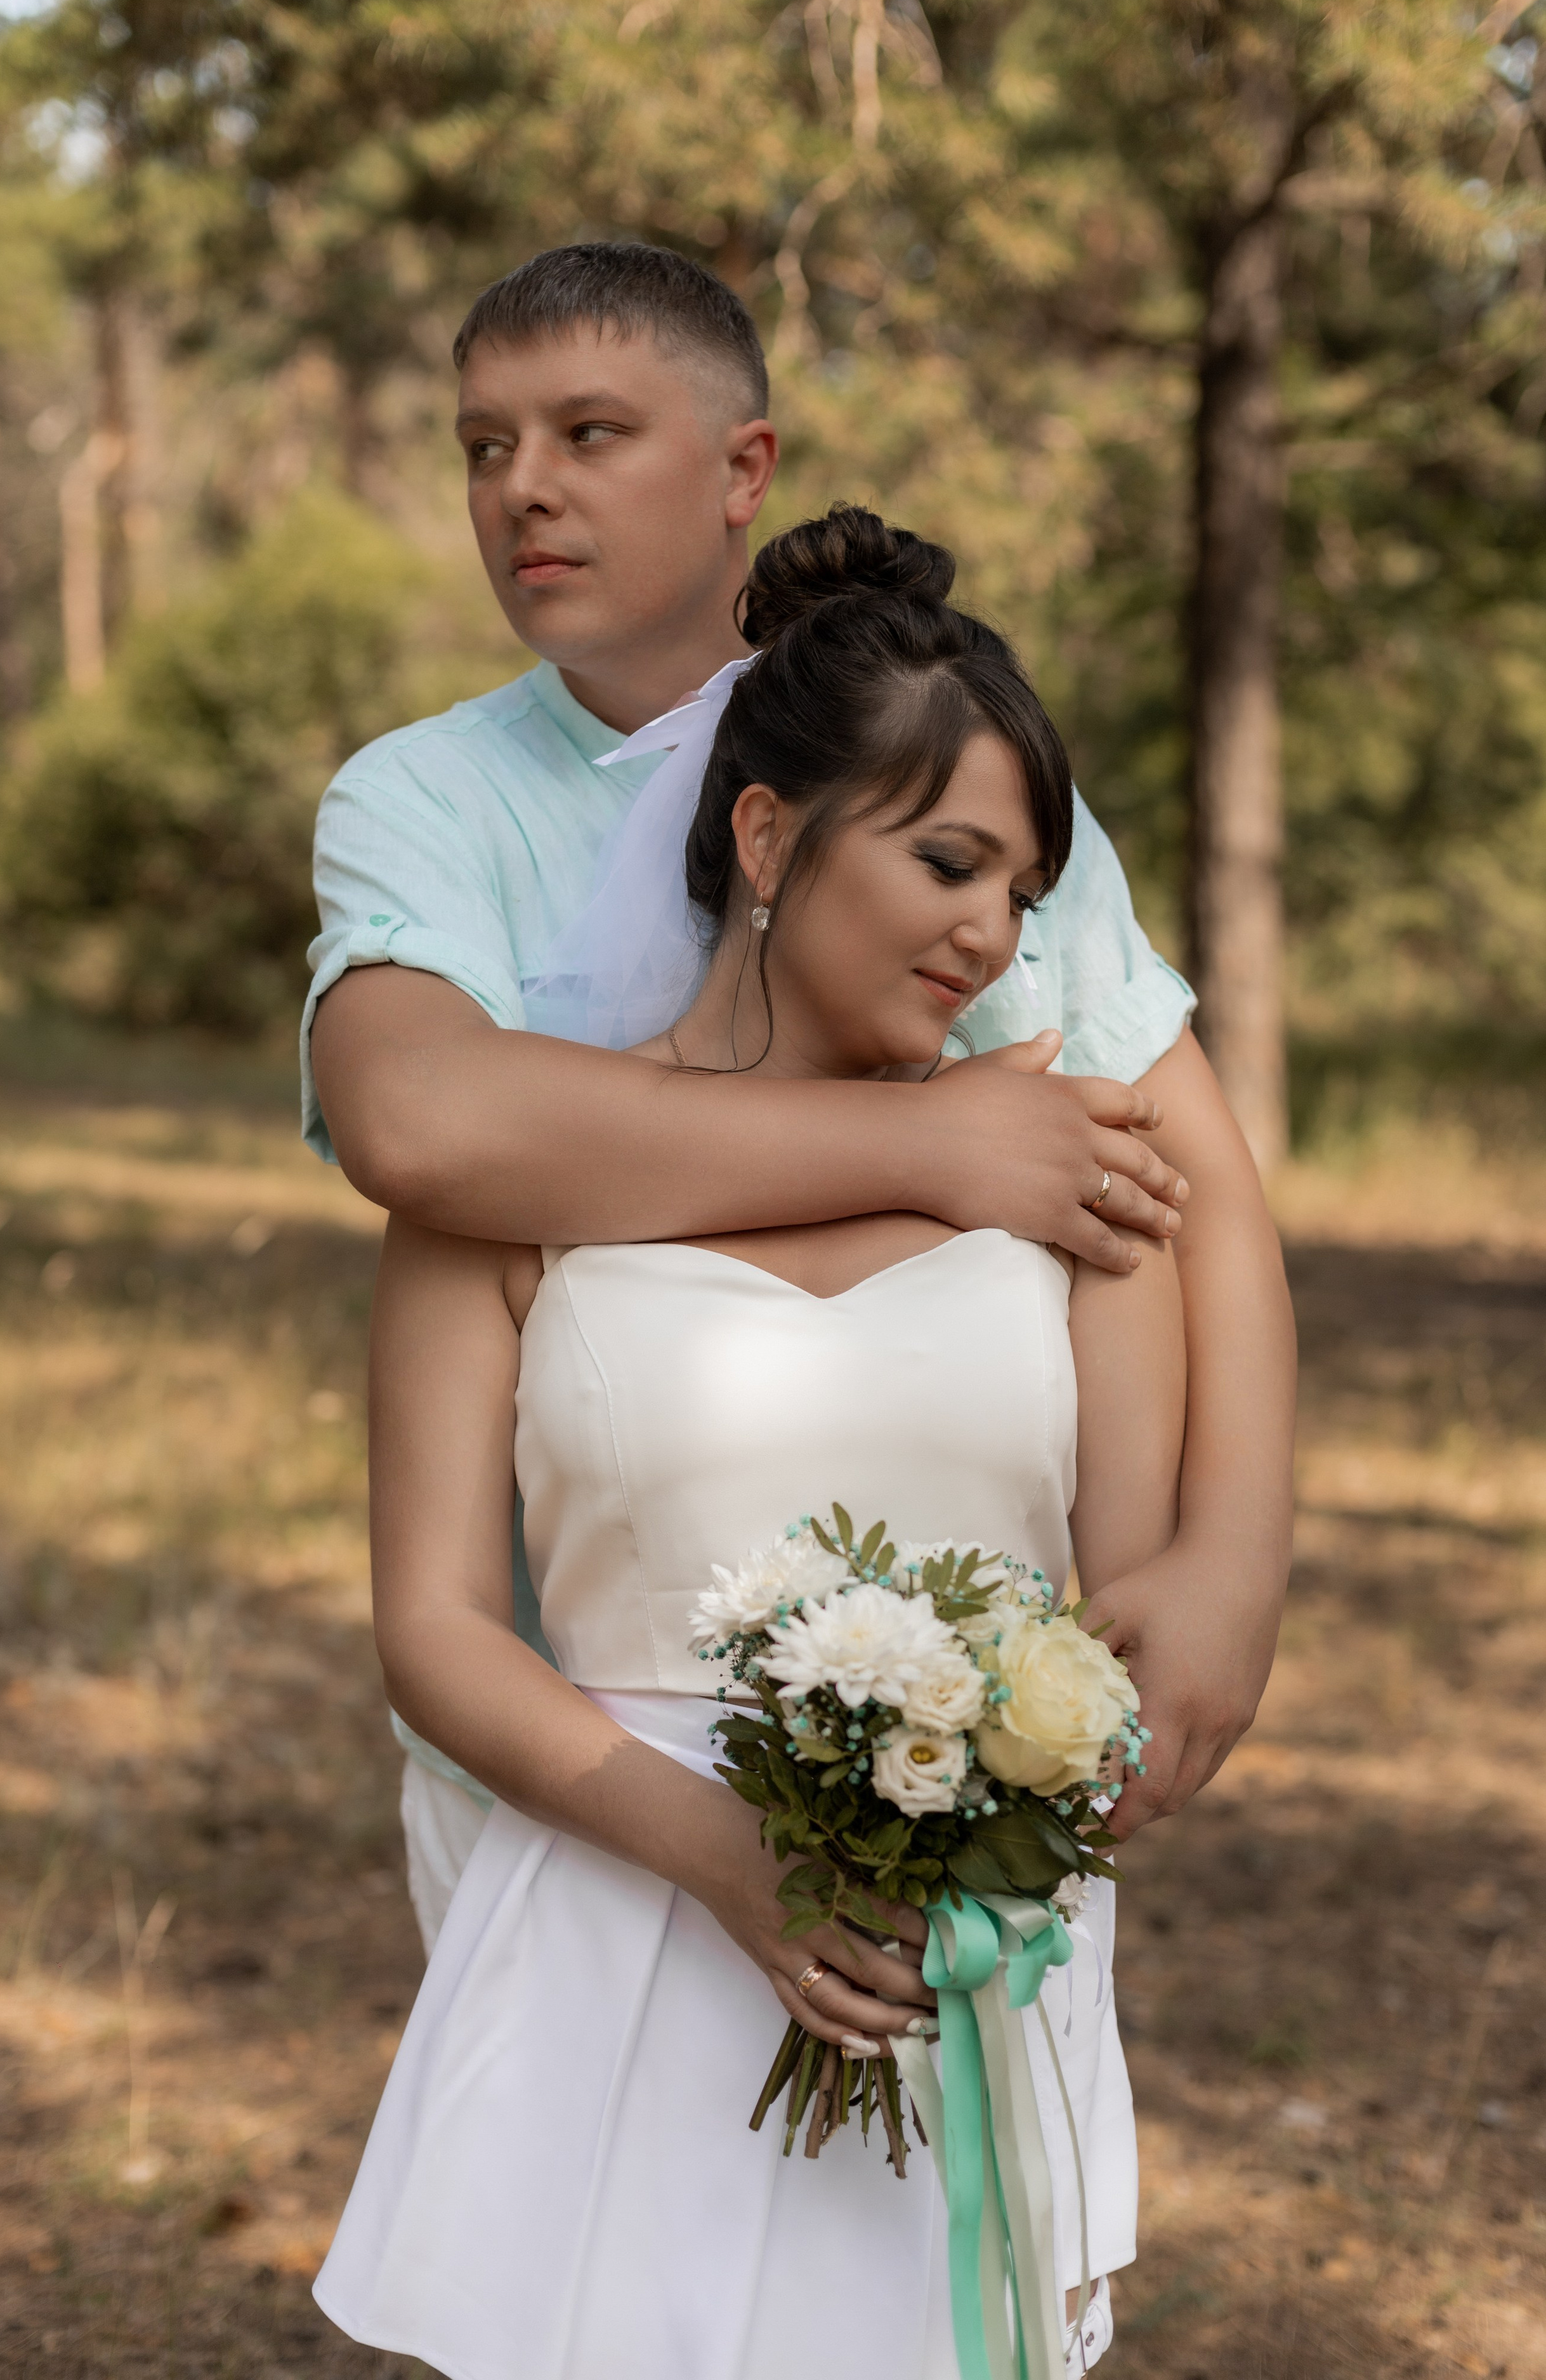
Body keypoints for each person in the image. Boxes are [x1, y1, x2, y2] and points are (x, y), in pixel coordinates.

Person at [303, 241, 1294, 1946]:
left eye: (589, 433)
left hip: (927, 1755)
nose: (523, 488)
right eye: (484, 445)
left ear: (743, 469)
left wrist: (1230, 1569)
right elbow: (423, 1129)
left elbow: (1197, 1202)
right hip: (563, 1738)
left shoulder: (959, 789)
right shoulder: (425, 799)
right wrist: (932, 1137)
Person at [313, 511, 1190, 2379]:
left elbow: (1130, 1599)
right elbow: (440, 1627)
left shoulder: (1071, 1170)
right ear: (770, 836)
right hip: (623, 1919)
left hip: (945, 1951)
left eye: (1024, 895)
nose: (991, 931)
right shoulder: (509, 1196)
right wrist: (728, 1858)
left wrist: (1024, 1786)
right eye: (950, 860)